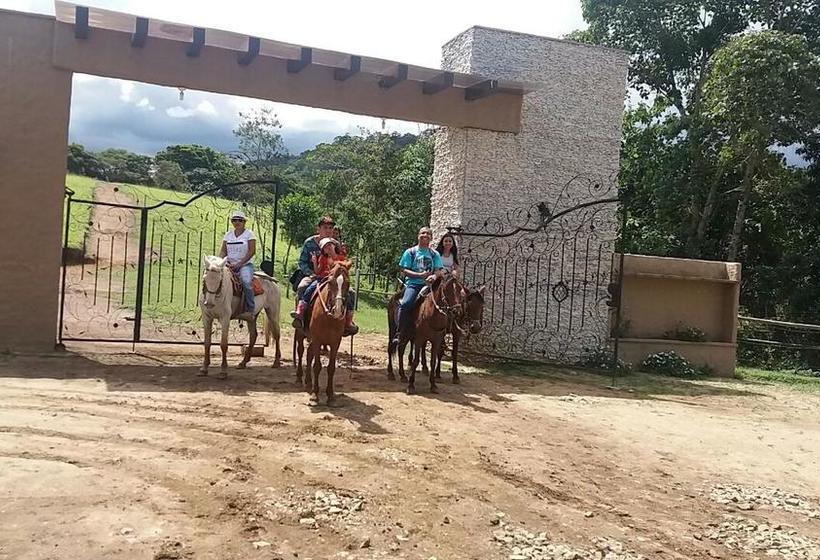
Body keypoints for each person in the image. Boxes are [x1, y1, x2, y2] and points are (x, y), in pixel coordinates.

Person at [394, 226, 444, 343]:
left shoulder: (434, 254)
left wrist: (434, 276)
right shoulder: (410, 252)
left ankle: (440, 337)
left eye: (428, 234)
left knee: (444, 305)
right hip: (414, 284)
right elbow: (404, 270)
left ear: (431, 238)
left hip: (430, 286)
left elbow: (438, 270)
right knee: (406, 303)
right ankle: (400, 332)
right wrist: (419, 275)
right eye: (423, 233)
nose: (425, 235)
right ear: (418, 236)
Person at [219, 209, 256, 320]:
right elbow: (223, 251)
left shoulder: (249, 234)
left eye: (239, 220)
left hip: (245, 265)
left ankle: (250, 310)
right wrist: (219, 263)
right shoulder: (228, 235)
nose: (237, 222)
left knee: (246, 281)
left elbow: (251, 251)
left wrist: (240, 263)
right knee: (215, 278)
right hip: (228, 265)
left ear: (244, 222)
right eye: (234, 220)